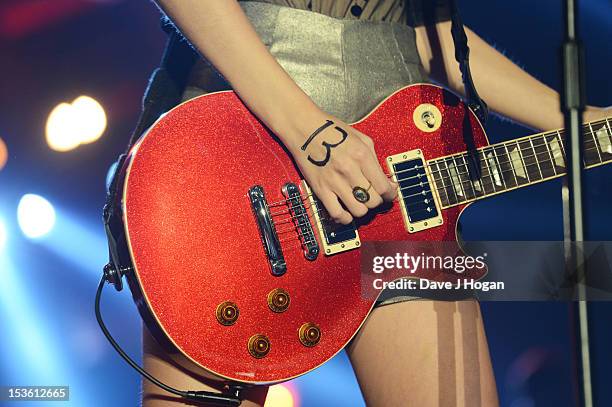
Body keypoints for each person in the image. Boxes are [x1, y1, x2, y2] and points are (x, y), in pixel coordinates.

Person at [141, 1, 611, 406]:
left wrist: (579, 122)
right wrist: (309, 131)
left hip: (401, 161)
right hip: (243, 127)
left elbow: (430, 32)